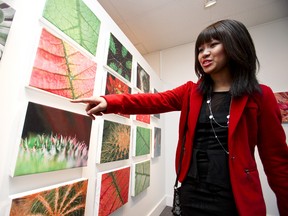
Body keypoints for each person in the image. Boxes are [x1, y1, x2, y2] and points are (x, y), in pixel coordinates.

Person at [72, 19, 288, 216]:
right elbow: (151, 101)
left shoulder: (260, 96)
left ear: (235, 45)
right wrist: (110, 102)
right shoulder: (190, 92)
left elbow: (276, 161)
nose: (204, 53)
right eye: (200, 49)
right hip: (192, 189)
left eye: (213, 45)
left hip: (233, 194)